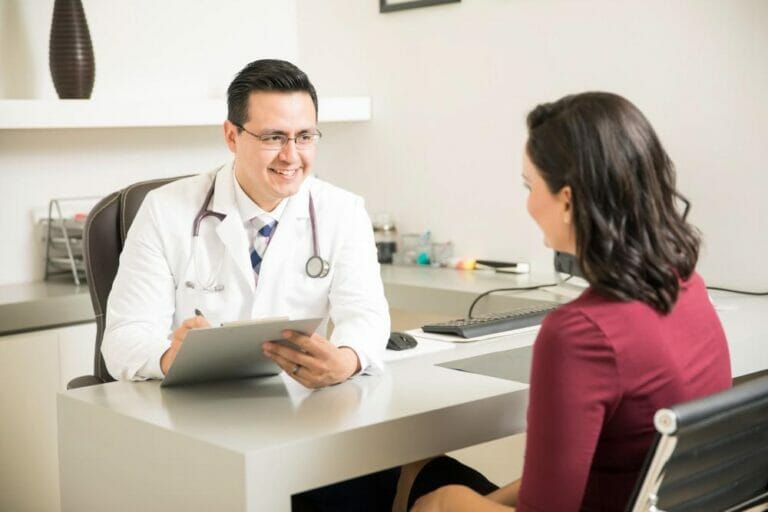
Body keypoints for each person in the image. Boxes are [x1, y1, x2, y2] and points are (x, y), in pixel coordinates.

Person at [402, 92, 732, 512]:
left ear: (567, 200)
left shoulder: (580, 333)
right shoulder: (687, 285)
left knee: (430, 491)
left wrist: (448, 503)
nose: (527, 203)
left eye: (529, 185)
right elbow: (593, 466)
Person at [102, 59, 390, 389]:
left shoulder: (344, 211)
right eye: (273, 137)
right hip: (195, 408)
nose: (292, 156)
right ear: (231, 136)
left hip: (301, 409)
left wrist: (346, 360)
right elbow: (123, 339)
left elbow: (366, 316)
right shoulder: (164, 210)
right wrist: (170, 357)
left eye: (305, 136)